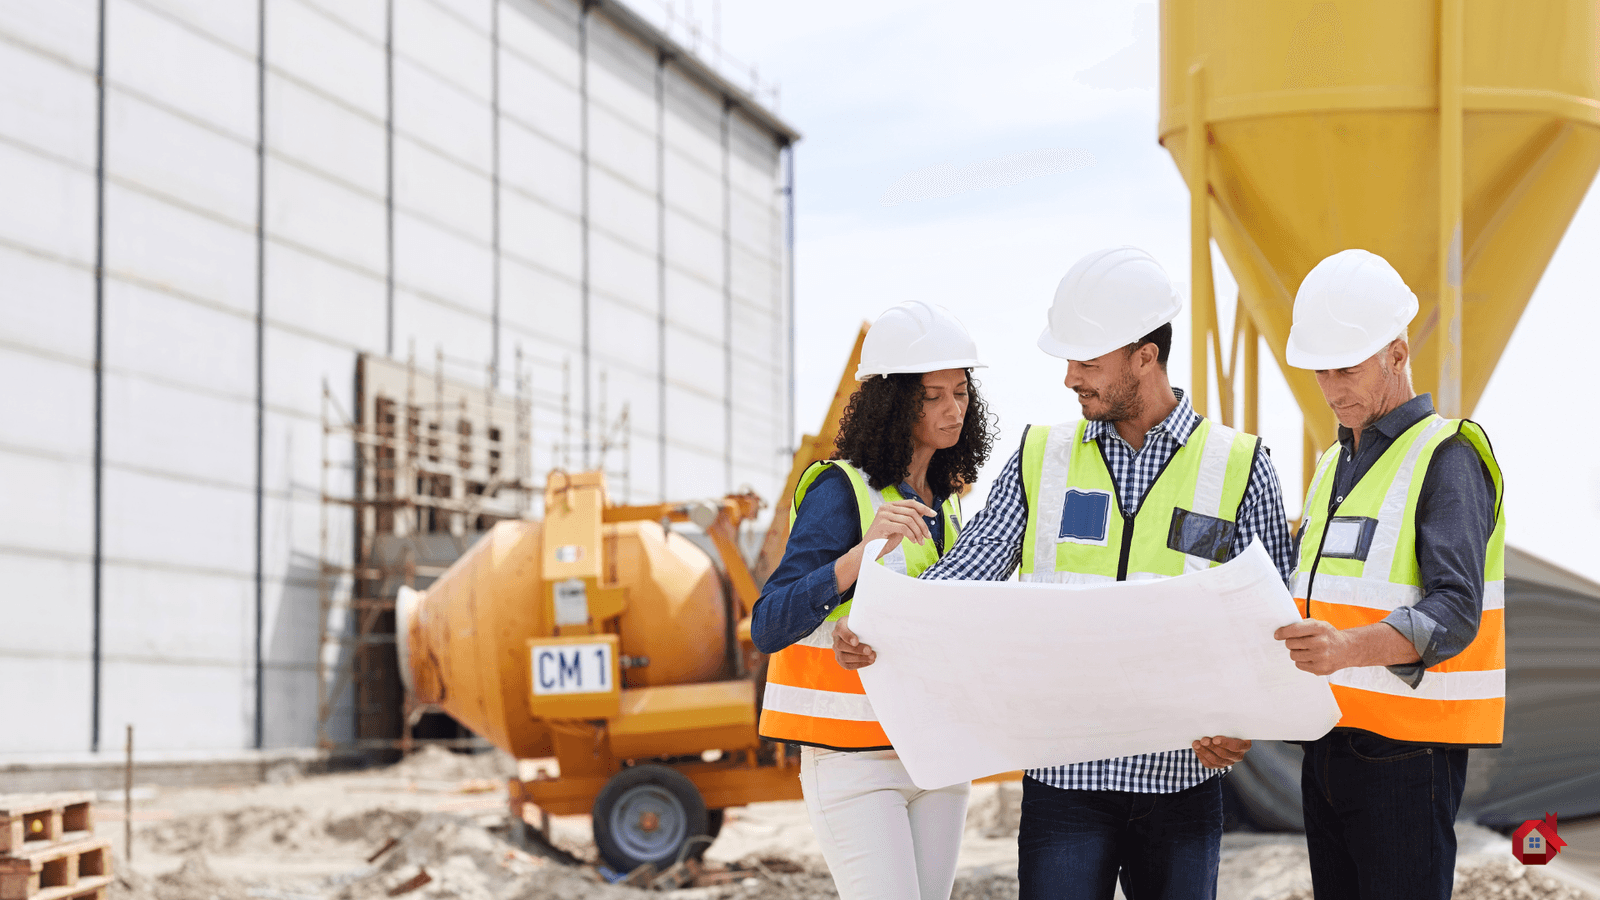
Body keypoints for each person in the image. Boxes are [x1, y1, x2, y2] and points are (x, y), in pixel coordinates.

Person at [839, 247, 1295, 900]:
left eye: (1088, 362)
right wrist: (881, 622)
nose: (1069, 378)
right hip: (1065, 783)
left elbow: (1272, 624)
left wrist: (1242, 718)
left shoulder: (1240, 466)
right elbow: (966, 573)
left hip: (1182, 783)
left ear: (1145, 356)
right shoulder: (1041, 457)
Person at [1273, 249, 1504, 900]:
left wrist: (1346, 648)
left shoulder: (1447, 456)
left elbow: (1454, 610)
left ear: (1397, 354)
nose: (1331, 388)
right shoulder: (1331, 465)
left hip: (1406, 757)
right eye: (1320, 371)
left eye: (1346, 368)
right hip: (1327, 745)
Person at [751, 299, 997, 900]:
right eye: (932, 396)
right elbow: (769, 623)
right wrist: (860, 557)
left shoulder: (948, 503)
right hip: (853, 761)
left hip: (936, 754)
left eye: (961, 392)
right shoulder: (841, 491)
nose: (953, 409)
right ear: (893, 404)